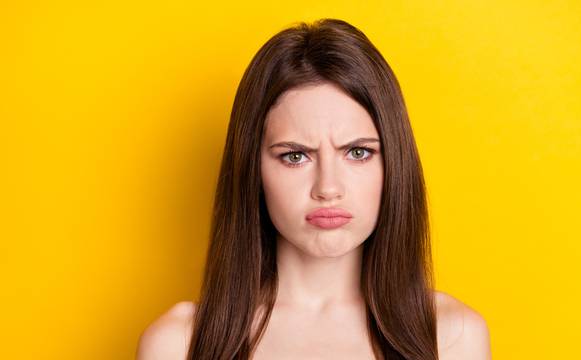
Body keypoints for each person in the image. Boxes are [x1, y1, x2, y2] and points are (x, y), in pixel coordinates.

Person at [136, 18, 491, 360]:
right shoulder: (178, 345)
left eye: (358, 152)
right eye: (295, 156)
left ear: (394, 164)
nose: (328, 188)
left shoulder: (453, 338)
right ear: (252, 170)